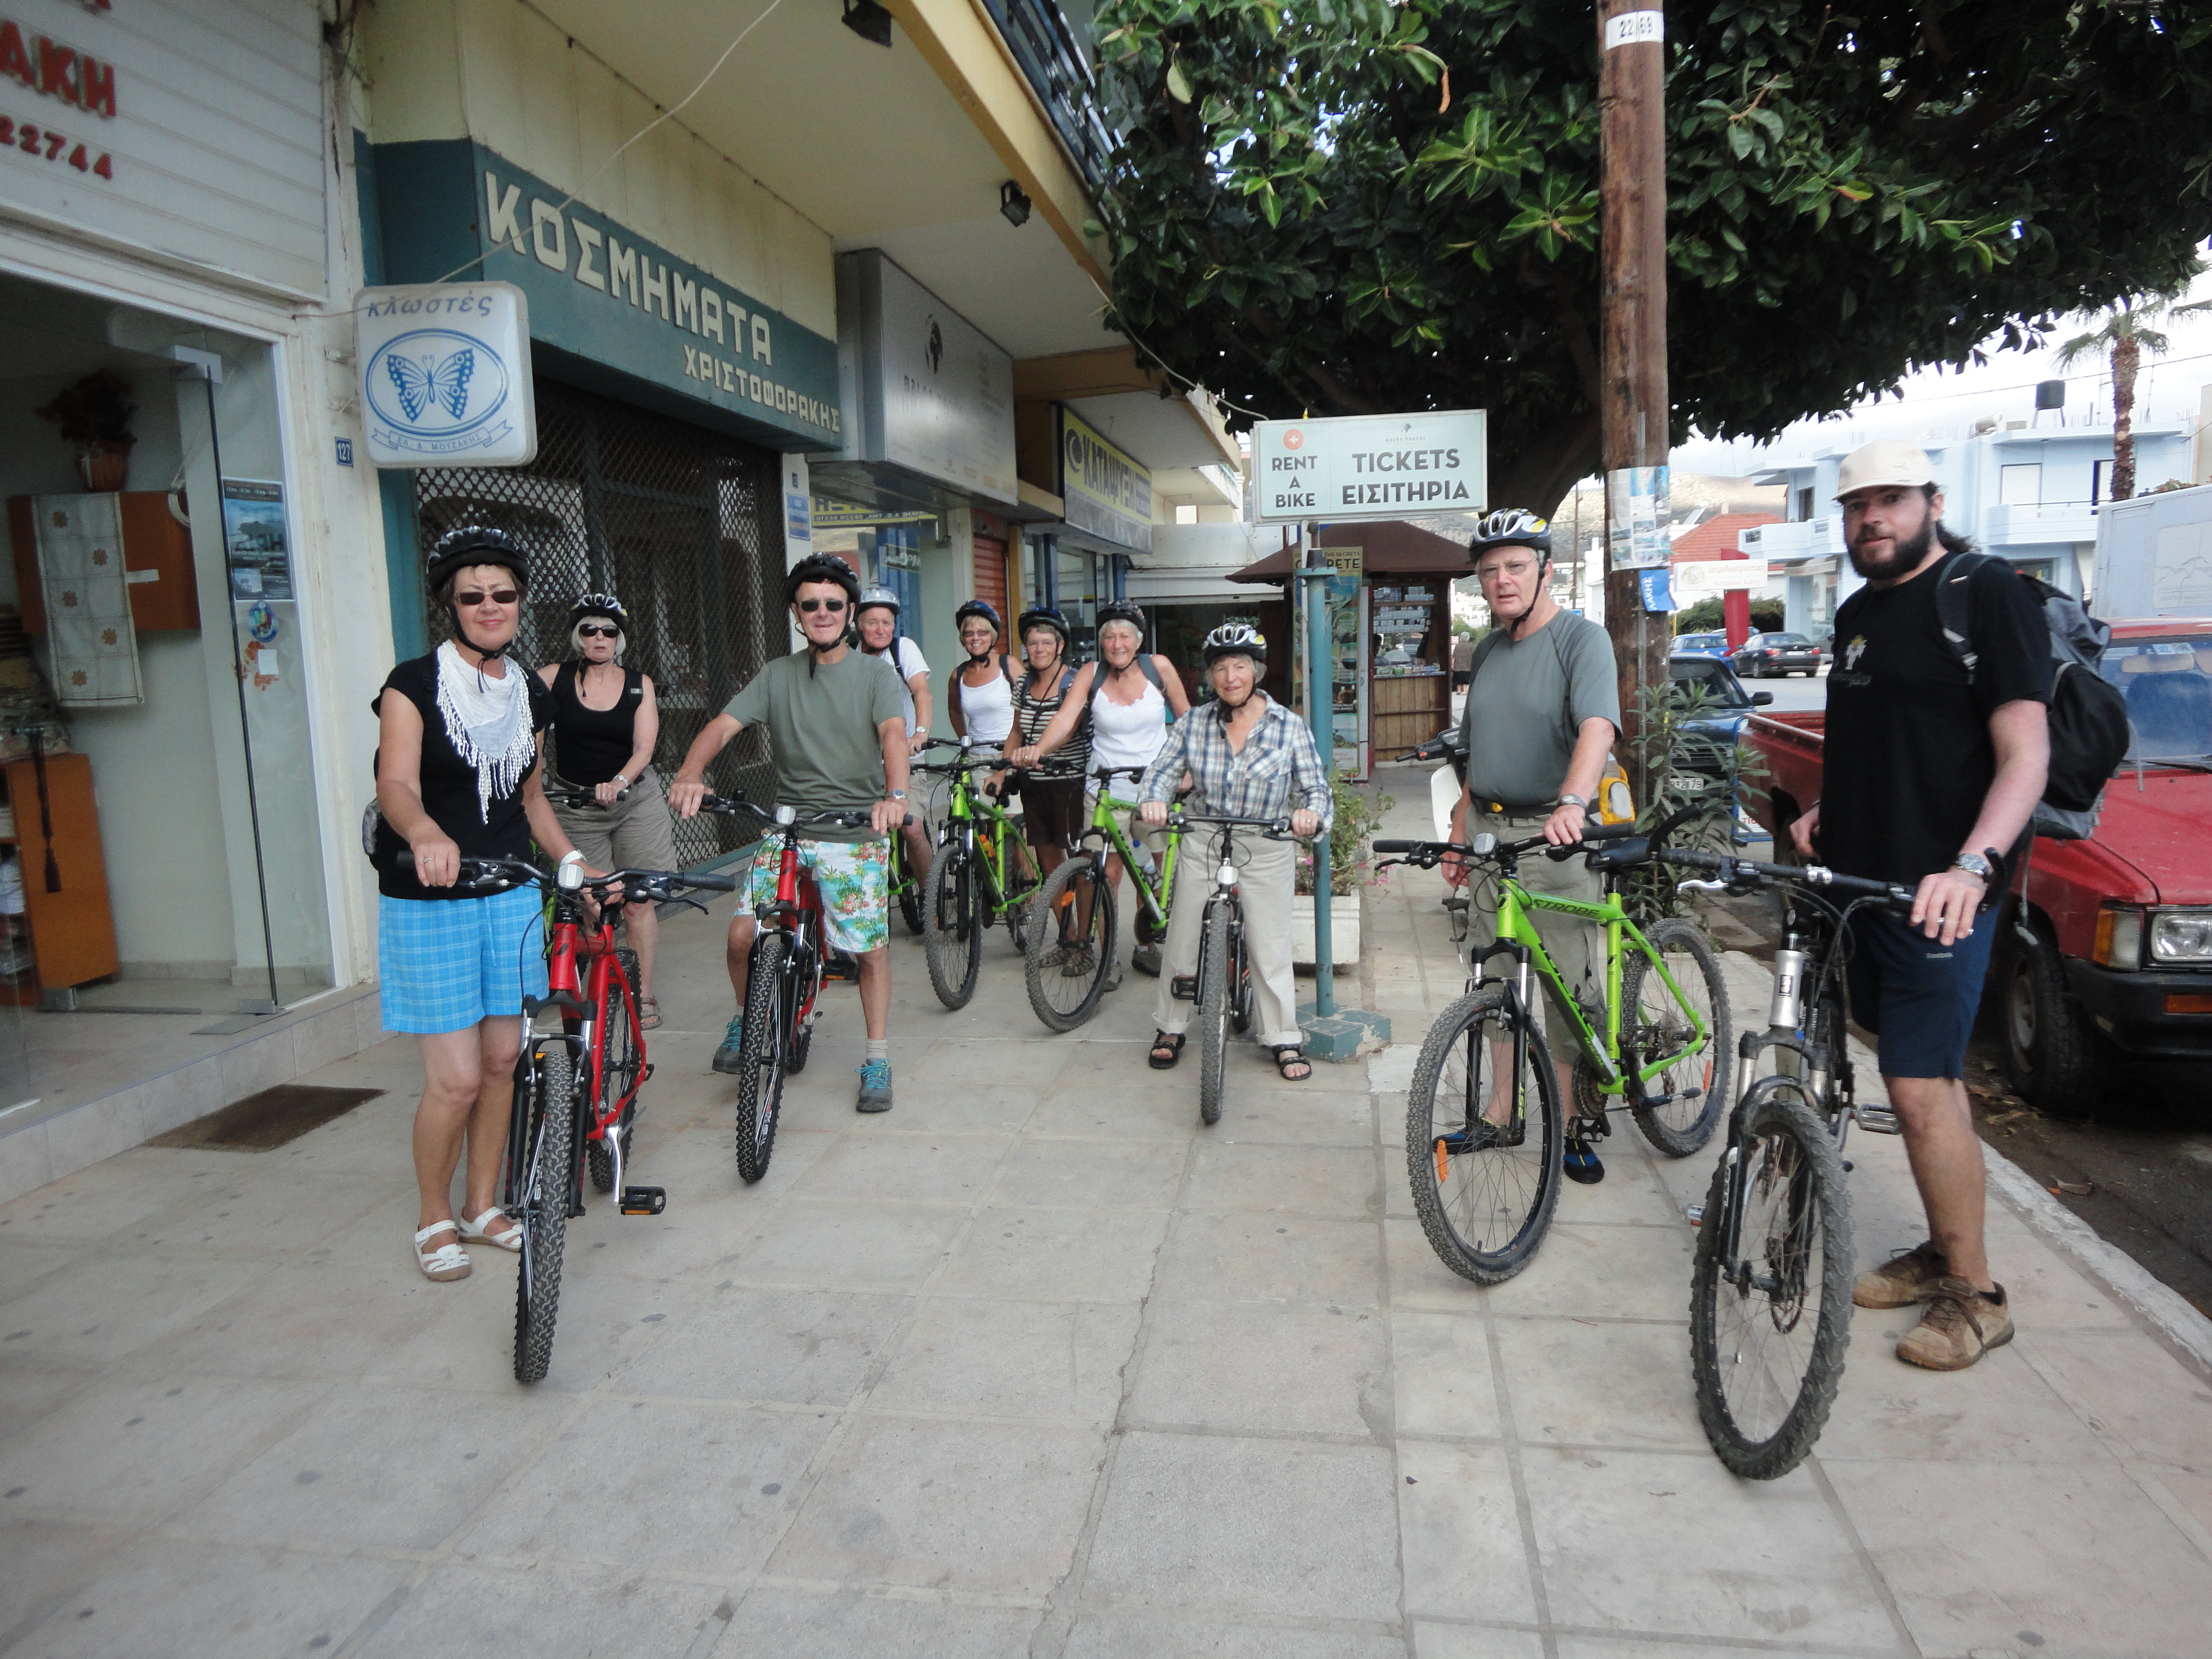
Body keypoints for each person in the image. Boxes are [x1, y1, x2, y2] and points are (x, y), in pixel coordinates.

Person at [1793, 441, 2051, 1372]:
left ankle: (1977, 1296)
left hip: (1942, 895)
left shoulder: (1986, 594)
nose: (1872, 517)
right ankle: (1942, 1248)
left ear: (1932, 502)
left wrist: (1972, 867)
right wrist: (1828, 808)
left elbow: (2026, 755)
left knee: (1920, 1083)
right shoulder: (1859, 611)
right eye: (1856, 503)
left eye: (1892, 499)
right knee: (1902, 1076)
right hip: (1859, 885)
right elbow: (1878, 735)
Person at [372, 525, 595, 1282]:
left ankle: (480, 1205)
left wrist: (570, 860)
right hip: (430, 896)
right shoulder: (411, 685)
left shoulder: (529, 691)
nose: (489, 606)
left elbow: (529, 799)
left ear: (520, 601)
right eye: (473, 597)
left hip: (510, 892)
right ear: (451, 605)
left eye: (503, 594)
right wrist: (424, 831)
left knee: (503, 1062)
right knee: (457, 1079)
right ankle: (433, 1216)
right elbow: (395, 784)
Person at [668, 555, 910, 1113]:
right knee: (741, 938)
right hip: (790, 828)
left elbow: (894, 735)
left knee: (870, 952)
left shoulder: (876, 675)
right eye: (810, 604)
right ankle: (745, 1018)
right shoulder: (777, 674)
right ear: (796, 614)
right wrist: (689, 772)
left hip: (854, 831)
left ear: (849, 612)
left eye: (833, 604)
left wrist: (895, 796)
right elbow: (722, 727)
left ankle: (877, 1058)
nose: (822, 612)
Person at [1439, 509, 1623, 1184]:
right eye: (1489, 570)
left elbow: (1598, 726)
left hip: (1554, 835)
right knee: (1494, 977)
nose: (1502, 580)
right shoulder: (1488, 650)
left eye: (1515, 566)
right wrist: (1458, 830)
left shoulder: (1581, 640)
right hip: (1490, 835)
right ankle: (1500, 1112)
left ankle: (1573, 1121)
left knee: (1566, 985)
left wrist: (1574, 802)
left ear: (1546, 569)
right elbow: (1477, 751)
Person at [1137, 624, 1329, 1081]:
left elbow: (1315, 788)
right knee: (1183, 935)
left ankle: (1282, 1036)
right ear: (1211, 676)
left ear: (1255, 671)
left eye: (1239, 666)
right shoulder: (1194, 722)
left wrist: (1310, 814)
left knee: (1269, 944)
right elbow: (1161, 772)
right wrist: (1155, 799)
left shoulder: (1287, 726)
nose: (1230, 676)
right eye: (1221, 668)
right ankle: (1171, 1026)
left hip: (1266, 841)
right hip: (1205, 835)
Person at [1008, 600, 1191, 976]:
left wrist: (1187, 769)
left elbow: (1188, 720)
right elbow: (1065, 717)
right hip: (1104, 788)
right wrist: (1039, 748)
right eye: (1109, 637)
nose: (1117, 643)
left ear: (1138, 641)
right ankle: (1108, 958)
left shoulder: (1158, 668)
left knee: (1157, 874)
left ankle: (1149, 943)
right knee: (1107, 874)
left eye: (1124, 636)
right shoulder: (1091, 674)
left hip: (1155, 788)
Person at [537, 592, 678, 1029]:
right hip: (575, 805)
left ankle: (643, 994)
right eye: (590, 629)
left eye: (609, 631)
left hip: (634, 800)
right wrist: (534, 785)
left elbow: (644, 747)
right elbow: (532, 738)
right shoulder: (552, 678)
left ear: (620, 639)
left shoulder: (639, 684)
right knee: (594, 904)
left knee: (638, 900)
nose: (600, 637)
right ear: (578, 637)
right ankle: (603, 985)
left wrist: (618, 783)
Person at [855, 584, 935, 890]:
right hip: (866, 763)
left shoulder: (903, 650)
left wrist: (920, 733)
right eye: (872, 622)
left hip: (906, 758)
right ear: (859, 625)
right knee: (863, 832)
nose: (881, 629)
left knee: (911, 829)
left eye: (887, 623)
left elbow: (922, 693)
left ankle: (930, 898)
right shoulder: (849, 657)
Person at [1007, 607, 1090, 884]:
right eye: (1033, 643)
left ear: (1060, 646)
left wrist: (1038, 751)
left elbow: (1068, 730)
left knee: (1080, 862)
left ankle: (1084, 916)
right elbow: (1017, 731)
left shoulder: (1074, 681)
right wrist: (1003, 770)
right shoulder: (1023, 682)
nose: (1039, 649)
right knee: (1050, 863)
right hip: (1034, 784)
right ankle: (1060, 915)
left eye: (1046, 642)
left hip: (1069, 783)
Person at [947, 599, 1017, 748]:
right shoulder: (958, 675)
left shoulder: (1008, 665)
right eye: (969, 633)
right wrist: (965, 739)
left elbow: (1031, 704)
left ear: (992, 636)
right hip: (976, 755)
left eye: (983, 632)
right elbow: (954, 711)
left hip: (1009, 753)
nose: (976, 638)